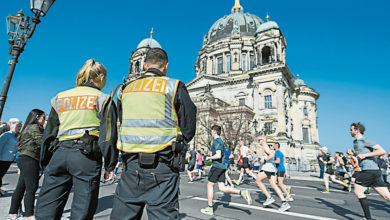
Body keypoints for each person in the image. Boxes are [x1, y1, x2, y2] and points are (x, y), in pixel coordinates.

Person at [111, 48, 197, 220]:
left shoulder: (125, 89)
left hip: (131, 166)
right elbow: (189, 126)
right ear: (166, 66)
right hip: (163, 166)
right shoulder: (173, 86)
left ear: (144, 65)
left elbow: (122, 120)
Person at [35, 59, 118, 220]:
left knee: (47, 206)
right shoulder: (103, 98)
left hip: (59, 153)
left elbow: (49, 132)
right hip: (86, 155)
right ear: (101, 77)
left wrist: (45, 161)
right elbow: (108, 136)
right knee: (83, 208)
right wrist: (110, 164)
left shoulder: (60, 97)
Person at [200, 125, 251, 216]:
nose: (211, 133)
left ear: (214, 132)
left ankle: (210, 208)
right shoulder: (221, 142)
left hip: (217, 166)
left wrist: (208, 158)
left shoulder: (217, 141)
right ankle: (241, 192)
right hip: (222, 166)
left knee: (209, 185)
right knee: (222, 188)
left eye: (212, 131)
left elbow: (218, 155)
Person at [7, 110, 45, 220]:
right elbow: (41, 142)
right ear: (37, 117)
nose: (44, 119)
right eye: (43, 117)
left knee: (21, 187)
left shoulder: (28, 127)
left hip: (24, 158)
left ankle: (13, 213)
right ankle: (29, 215)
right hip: (30, 158)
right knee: (31, 187)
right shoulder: (34, 127)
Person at [350, 122, 390, 220]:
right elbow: (359, 154)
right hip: (372, 171)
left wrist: (365, 155)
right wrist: (356, 162)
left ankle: (368, 218)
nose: (349, 131)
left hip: (370, 170)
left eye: (351, 129)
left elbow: (382, 151)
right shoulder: (355, 142)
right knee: (386, 195)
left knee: (358, 191)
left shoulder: (365, 140)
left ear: (357, 130)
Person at [255, 135, 290, 212]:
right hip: (271, 168)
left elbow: (272, 155)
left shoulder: (265, 146)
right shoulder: (265, 146)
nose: (259, 142)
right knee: (273, 185)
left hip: (267, 167)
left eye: (259, 140)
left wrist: (264, 160)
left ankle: (269, 197)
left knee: (258, 181)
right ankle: (284, 203)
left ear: (263, 140)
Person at [0, 118, 22, 196]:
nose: (19, 128)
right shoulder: (7, 134)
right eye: (18, 126)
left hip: (9, 159)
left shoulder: (15, 135)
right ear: (11, 124)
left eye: (20, 126)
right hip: (2, 158)